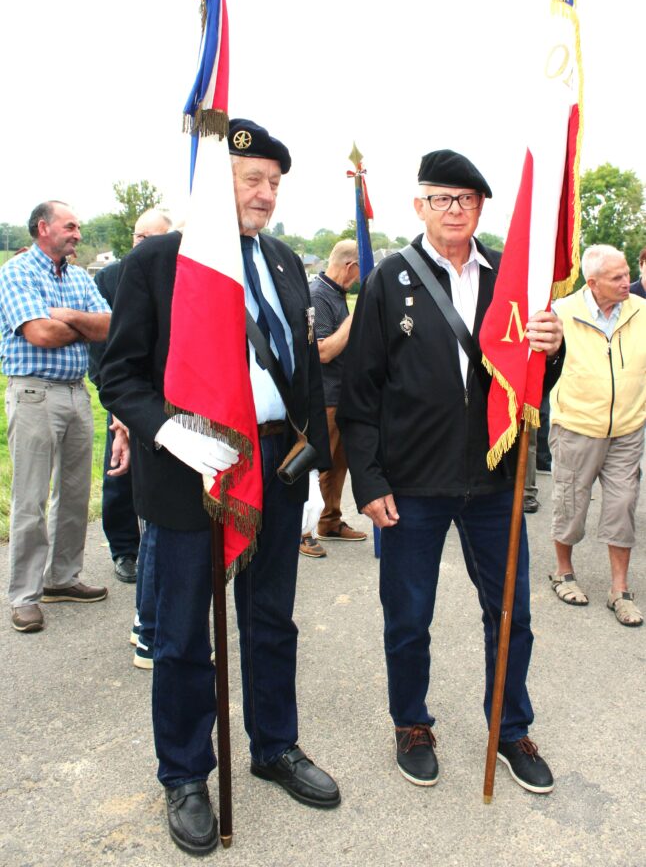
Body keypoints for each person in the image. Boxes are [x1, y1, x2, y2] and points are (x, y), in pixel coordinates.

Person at [99, 120, 339, 856]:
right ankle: (184, 773)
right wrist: (168, 432)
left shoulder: (285, 262)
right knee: (180, 637)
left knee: (272, 620)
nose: (265, 194)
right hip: (188, 472)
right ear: (215, 183)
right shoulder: (159, 263)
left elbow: (299, 366)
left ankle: (274, 746)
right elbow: (119, 375)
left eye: (273, 182)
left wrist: (314, 456)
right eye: (250, 179)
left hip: (274, 465)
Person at [337, 149, 564, 794]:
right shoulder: (391, 279)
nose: (455, 209)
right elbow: (361, 392)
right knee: (408, 615)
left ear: (481, 208)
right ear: (420, 206)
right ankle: (412, 723)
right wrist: (370, 481)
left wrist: (556, 344)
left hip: (493, 482)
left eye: (466, 199)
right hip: (412, 484)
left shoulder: (506, 279)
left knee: (511, 614)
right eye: (442, 198)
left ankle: (510, 726)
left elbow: (532, 375)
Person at [0, 201, 114, 633]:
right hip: (33, 393)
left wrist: (67, 316)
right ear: (43, 228)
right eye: (70, 226)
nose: (78, 234)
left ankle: (61, 579)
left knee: (74, 493)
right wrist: (81, 324)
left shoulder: (80, 277)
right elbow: (40, 334)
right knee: (29, 499)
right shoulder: (16, 273)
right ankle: (24, 596)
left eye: (79, 227)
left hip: (75, 394)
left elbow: (109, 325)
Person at [548, 244, 646, 627]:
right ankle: (563, 571)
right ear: (592, 283)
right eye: (617, 277)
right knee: (571, 503)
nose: (628, 282)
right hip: (576, 426)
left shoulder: (641, 311)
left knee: (623, 506)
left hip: (627, 428)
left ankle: (619, 589)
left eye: (627, 274)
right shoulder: (561, 313)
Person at [89, 208, 173, 584]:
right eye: (140, 238)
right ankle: (124, 548)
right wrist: (117, 402)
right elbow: (106, 344)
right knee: (119, 475)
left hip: (166, 397)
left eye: (154, 239)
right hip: (125, 395)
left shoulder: (179, 273)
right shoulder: (109, 278)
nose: (144, 245)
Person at [300, 240, 366, 557]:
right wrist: (354, 321)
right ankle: (303, 530)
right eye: (358, 272)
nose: (358, 280)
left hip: (341, 393)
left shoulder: (336, 294)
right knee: (316, 465)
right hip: (323, 395)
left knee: (338, 464)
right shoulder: (318, 295)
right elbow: (323, 351)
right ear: (350, 266)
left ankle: (329, 520)